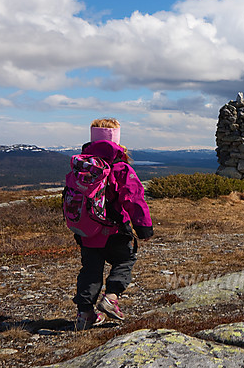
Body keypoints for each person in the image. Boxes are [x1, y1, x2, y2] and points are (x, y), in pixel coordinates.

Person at [72, 118, 154, 330]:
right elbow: (134, 199)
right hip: (116, 229)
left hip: (88, 231)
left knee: (90, 270)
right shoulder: (120, 167)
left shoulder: (82, 167)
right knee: (125, 260)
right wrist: (144, 227)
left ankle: (85, 314)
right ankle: (111, 298)